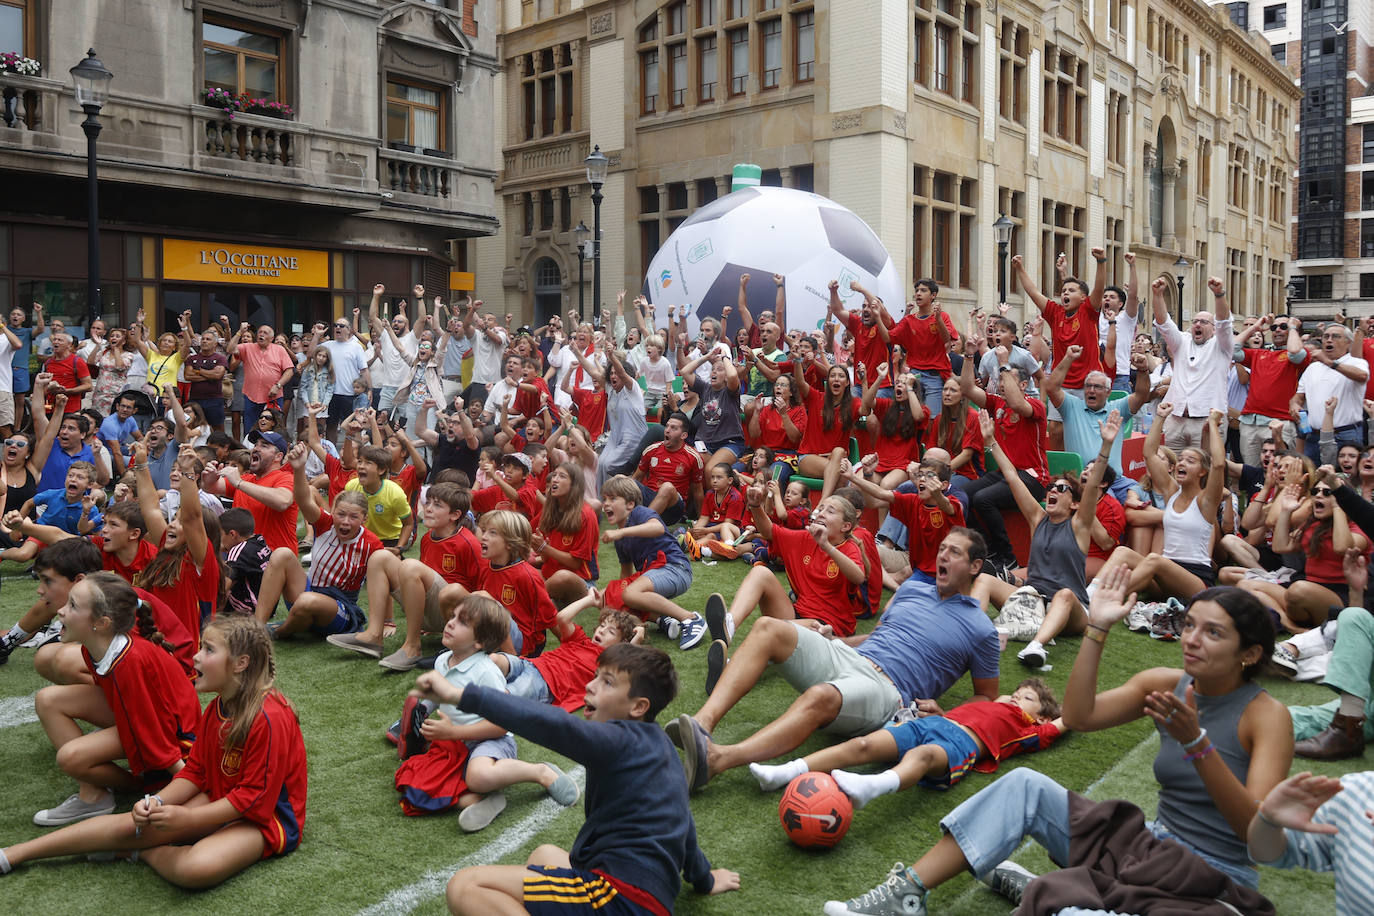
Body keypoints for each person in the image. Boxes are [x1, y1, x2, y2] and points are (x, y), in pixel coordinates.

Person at [823, 573, 1291, 916]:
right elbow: (1081, 717)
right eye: (1190, 625)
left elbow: (1260, 838)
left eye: (1213, 633)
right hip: (1149, 848)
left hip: (1213, 881)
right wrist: (1098, 628)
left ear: (1249, 654)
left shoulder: (1267, 717)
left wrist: (1199, 746)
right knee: (1023, 785)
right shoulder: (1168, 683)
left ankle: (1038, 887)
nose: (1192, 639)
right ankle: (905, 895)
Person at [414, 642, 740, 914]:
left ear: (639, 707)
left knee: (465, 886)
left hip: (618, 898)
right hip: (649, 902)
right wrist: (705, 879)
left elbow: (555, 724)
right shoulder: (661, 747)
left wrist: (462, 696)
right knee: (544, 855)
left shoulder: (616, 741)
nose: (591, 685)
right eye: (596, 676)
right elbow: (683, 825)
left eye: (608, 682)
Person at [669, 528, 999, 792]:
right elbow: (877, 636)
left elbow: (987, 696)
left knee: (822, 695)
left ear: (974, 567)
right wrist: (833, 641)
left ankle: (719, 759)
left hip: (888, 690)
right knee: (769, 628)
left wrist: (947, 716)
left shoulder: (980, 628)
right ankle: (702, 724)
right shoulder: (912, 589)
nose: (943, 555)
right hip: (851, 656)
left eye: (954, 552)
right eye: (942, 548)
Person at [0, 615, 308, 888]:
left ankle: (141, 852)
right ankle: (15, 854)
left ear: (241, 663)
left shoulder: (270, 717)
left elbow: (251, 799)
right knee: (131, 824)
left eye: (209, 650)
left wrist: (189, 819)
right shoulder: (218, 707)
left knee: (195, 869)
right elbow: (196, 771)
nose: (196, 657)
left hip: (264, 819)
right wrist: (157, 801)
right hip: (220, 797)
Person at [28, 573, 200, 828]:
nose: (62, 611)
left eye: (73, 605)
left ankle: (135, 784)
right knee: (48, 700)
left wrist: (185, 780)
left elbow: (153, 725)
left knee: (69, 757)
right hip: (147, 717)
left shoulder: (130, 659)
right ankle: (94, 795)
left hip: (176, 732)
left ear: (101, 622)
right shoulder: (94, 645)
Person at [394, 594, 579, 831]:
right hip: (453, 742)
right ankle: (478, 800)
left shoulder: (486, 672)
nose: (450, 623)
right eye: (453, 616)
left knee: (477, 777)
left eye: (462, 622)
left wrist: (453, 732)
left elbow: (502, 725)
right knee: (415, 782)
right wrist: (421, 713)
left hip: (491, 740)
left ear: (480, 642)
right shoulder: (443, 661)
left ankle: (540, 772)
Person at [749, 678, 1064, 809]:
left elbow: (1068, 720)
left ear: (1042, 718)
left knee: (923, 755)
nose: (1017, 696)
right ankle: (785, 772)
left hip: (962, 744)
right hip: (932, 724)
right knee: (861, 745)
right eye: (1017, 692)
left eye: (1027, 697)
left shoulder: (1030, 730)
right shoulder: (997, 705)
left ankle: (871, 786)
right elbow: (979, 710)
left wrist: (1059, 718)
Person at [971, 409, 1118, 668]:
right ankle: (968, 631)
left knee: (1064, 595)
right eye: (1051, 487)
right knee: (984, 579)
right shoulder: (1038, 519)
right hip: (1032, 600)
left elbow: (1093, 485)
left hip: (1072, 609)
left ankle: (1035, 646)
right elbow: (1012, 477)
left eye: (1061, 489)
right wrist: (991, 441)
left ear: (1074, 504)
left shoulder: (1080, 525)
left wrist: (1106, 445)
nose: (1052, 491)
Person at [1092, 406, 1226, 599]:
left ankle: (1102, 599)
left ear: (1203, 471)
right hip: (1163, 575)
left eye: (1190, 461)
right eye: (1180, 459)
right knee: (1122, 552)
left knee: (1155, 560)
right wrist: (1160, 417)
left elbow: (1219, 464)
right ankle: (1089, 594)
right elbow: (1149, 453)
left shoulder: (1206, 501)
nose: (1182, 463)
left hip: (1196, 581)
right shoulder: (1172, 493)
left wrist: (1213, 424)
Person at [253, 442, 382, 639]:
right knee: (281, 554)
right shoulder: (326, 523)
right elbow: (303, 499)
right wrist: (299, 468)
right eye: (341, 514)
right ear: (333, 512)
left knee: (307, 601)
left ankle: (279, 631)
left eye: (353, 517)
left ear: (364, 519)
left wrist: (388, 621)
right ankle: (256, 627)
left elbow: (384, 583)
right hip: (309, 591)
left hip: (341, 609)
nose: (345, 522)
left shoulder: (371, 543)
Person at [957, 335, 1049, 574]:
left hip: (1032, 478)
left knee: (983, 499)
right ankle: (987, 551)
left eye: (1007, 378)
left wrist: (1004, 363)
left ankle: (1007, 557)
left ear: (1023, 385)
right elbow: (967, 389)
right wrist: (969, 356)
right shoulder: (998, 403)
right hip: (1004, 474)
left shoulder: (1035, 405)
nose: (1001, 383)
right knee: (960, 497)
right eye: (999, 379)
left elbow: (1018, 405)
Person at [1011, 248, 1108, 449]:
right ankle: (1058, 466)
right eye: (1063, 291)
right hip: (1061, 384)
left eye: (1071, 291)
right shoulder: (1055, 313)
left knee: (1085, 430)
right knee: (1055, 429)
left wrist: (1101, 262)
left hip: (1087, 384)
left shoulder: (1088, 311)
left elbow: (1099, 289)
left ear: (1084, 297)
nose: (1065, 293)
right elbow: (1033, 292)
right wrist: (1019, 268)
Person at [599, 474, 707, 650]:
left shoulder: (639, 513)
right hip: (655, 575)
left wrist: (621, 532)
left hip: (675, 568)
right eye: (604, 499)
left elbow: (657, 528)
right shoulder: (620, 540)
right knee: (616, 596)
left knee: (630, 593)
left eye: (612, 498)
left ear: (630, 504)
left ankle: (691, 619)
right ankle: (663, 619)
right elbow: (626, 574)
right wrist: (613, 595)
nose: (606, 503)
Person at [1043, 343, 1149, 473]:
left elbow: (1141, 396)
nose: (1091, 390)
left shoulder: (1118, 408)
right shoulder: (1071, 407)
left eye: (1097, 387)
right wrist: (1068, 358)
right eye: (1088, 386)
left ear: (1108, 392)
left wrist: (1143, 370)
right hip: (1080, 480)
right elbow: (1051, 388)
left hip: (1114, 481)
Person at [201, 429, 298, 554]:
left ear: (278, 456)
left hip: (273, 560)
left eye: (264, 446)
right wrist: (209, 479)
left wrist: (239, 483)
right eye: (256, 444)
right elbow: (210, 487)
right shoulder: (247, 479)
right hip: (240, 558)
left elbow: (283, 501)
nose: (256, 448)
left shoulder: (286, 478)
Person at [1235, 313, 1307, 465]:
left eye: (1283, 327)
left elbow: (1295, 353)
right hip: (1250, 422)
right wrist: (1255, 327)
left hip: (1279, 423)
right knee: (1251, 471)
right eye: (1274, 327)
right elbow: (1231, 349)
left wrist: (1293, 327)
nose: (1277, 330)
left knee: (1279, 469)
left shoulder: (1300, 354)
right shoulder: (1259, 353)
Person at [1293, 322, 1369, 463]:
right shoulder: (1313, 368)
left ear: (1348, 342)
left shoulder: (1356, 363)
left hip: (1345, 435)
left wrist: (1330, 363)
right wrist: (1294, 405)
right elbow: (1299, 396)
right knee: (1312, 474)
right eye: (1326, 336)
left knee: (1344, 475)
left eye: (1335, 336)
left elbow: (1362, 376)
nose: (1329, 340)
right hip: (1313, 436)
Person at [885, 279, 957, 416]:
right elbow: (888, 337)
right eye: (917, 290)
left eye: (923, 290)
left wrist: (938, 318)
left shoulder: (943, 316)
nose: (918, 293)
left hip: (934, 376)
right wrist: (878, 316)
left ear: (933, 295)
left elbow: (946, 339)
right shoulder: (909, 320)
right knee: (911, 416)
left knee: (932, 417)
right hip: (914, 375)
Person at [534, 462, 600, 607]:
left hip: (579, 581)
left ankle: (535, 601)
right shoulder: (551, 509)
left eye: (562, 476)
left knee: (562, 577)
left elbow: (575, 562)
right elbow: (545, 558)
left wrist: (545, 548)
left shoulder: (586, 515)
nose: (555, 479)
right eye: (554, 475)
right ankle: (547, 601)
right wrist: (539, 547)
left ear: (574, 485)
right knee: (518, 570)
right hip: (548, 575)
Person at [794, 361, 860, 501]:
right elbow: (800, 382)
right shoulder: (816, 397)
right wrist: (797, 360)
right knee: (841, 473)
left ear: (847, 383)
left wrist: (864, 382)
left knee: (839, 452)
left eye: (841, 376)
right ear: (827, 381)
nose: (836, 379)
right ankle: (826, 505)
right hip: (809, 457)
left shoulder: (852, 404)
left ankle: (824, 506)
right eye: (832, 375)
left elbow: (866, 409)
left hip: (835, 459)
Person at [633, 411, 704, 525]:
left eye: (673, 428)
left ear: (683, 436)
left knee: (667, 488)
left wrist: (701, 521)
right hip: (651, 496)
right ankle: (634, 522)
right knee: (622, 480)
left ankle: (642, 526)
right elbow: (636, 478)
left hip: (673, 508)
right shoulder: (651, 449)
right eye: (667, 426)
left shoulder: (693, 457)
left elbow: (697, 491)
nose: (667, 430)